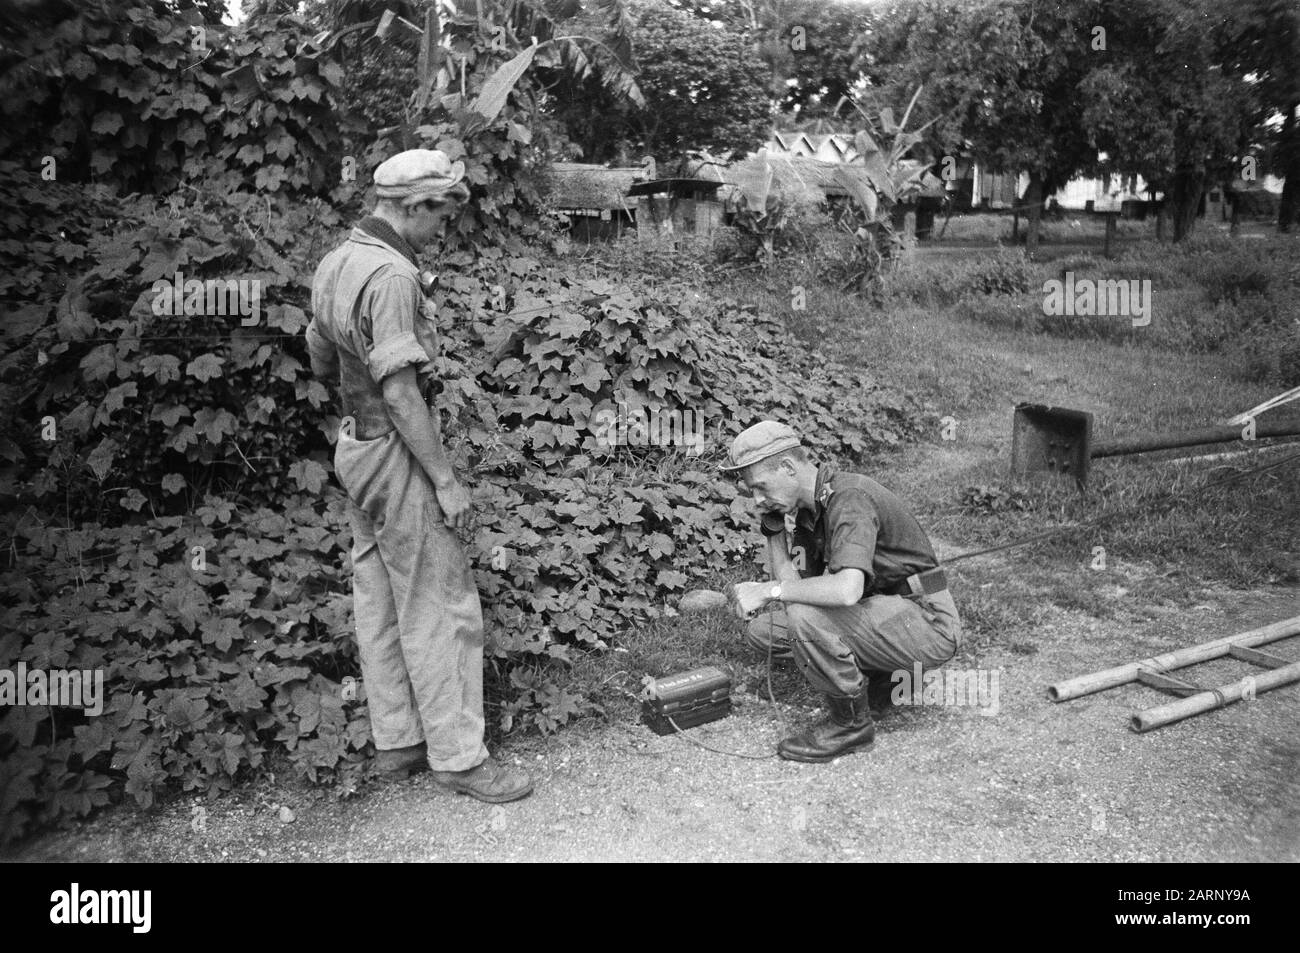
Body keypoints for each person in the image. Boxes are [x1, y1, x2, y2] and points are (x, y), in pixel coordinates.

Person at [305, 148, 533, 803]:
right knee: (440, 599)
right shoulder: (392, 275)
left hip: (353, 446)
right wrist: (444, 479)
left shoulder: (337, 259)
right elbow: (403, 393)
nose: (444, 228)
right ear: (412, 206)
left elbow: (319, 356)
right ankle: (460, 757)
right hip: (397, 450)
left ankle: (400, 741)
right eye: (441, 213)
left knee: (377, 594)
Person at [724, 421, 962, 763]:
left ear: (788, 468)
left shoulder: (849, 498)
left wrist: (768, 590)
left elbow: (846, 591)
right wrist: (773, 531)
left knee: (806, 620)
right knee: (766, 631)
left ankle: (851, 725)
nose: (757, 498)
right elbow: (797, 590)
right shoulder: (810, 509)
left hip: (928, 621)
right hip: (886, 612)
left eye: (760, 487)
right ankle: (884, 678)